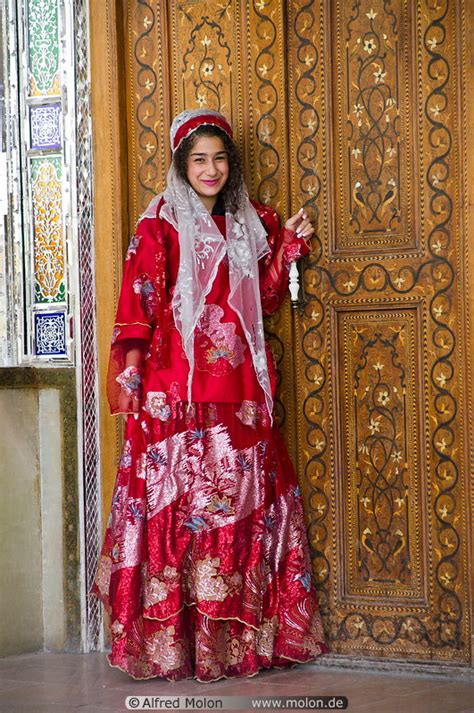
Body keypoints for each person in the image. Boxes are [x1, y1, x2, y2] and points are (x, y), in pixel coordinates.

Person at [92, 108, 328, 682]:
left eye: (220, 158)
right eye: (198, 159)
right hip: (174, 393)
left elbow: (264, 300)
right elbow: (138, 310)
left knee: (235, 507)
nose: (211, 168)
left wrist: (288, 246)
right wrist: (133, 380)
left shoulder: (251, 223)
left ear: (231, 164)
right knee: (180, 509)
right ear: (181, 165)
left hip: (240, 390)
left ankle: (232, 646)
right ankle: (175, 649)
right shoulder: (158, 228)